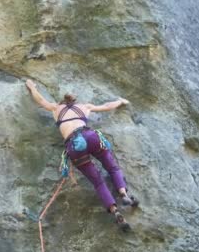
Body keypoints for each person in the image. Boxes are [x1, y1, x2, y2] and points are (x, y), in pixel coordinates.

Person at [25, 79, 138, 231]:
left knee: (97, 182)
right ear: (75, 101)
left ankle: (115, 211)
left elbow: (40, 99)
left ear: (62, 101)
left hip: (74, 145)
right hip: (91, 136)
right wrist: (120, 101)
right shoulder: (84, 107)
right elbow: (106, 107)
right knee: (112, 168)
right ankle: (123, 194)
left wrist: (32, 87)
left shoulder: (56, 108)